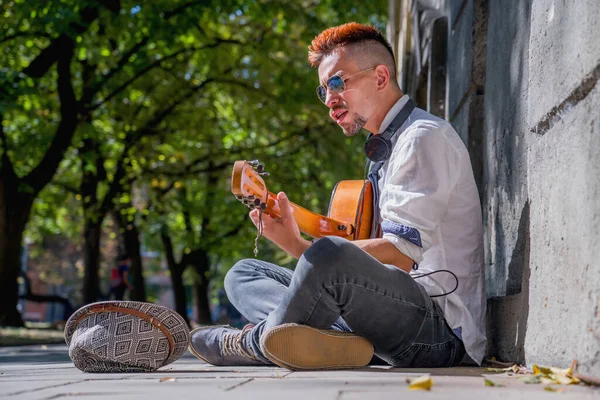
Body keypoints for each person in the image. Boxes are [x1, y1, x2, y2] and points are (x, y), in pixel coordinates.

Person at [189, 22, 486, 370]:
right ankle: (332, 340)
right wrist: (298, 246)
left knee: (329, 253)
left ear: (379, 77)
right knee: (244, 273)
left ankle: (250, 342)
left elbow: (400, 255)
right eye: (323, 89)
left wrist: (308, 250)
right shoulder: (385, 150)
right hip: (387, 315)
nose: (329, 99)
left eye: (337, 82)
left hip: (440, 332)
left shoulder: (421, 138)